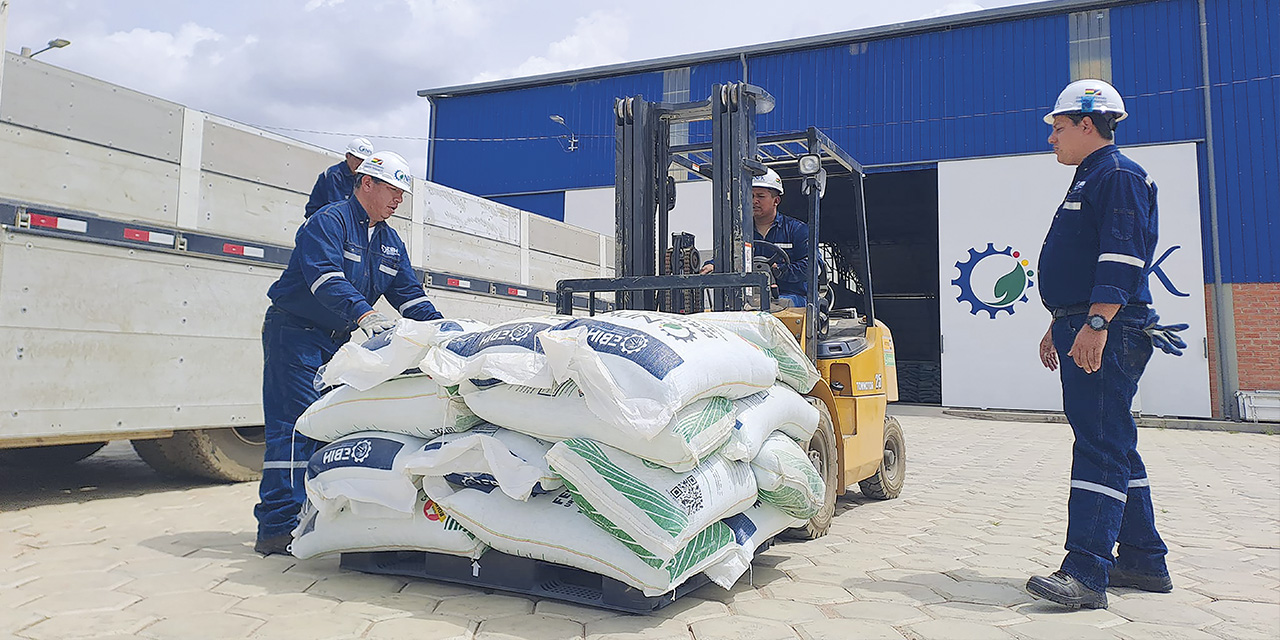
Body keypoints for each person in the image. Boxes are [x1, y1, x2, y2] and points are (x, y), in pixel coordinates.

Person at [1026, 79, 1174, 609]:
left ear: (1087, 125)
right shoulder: (1093, 176)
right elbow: (1085, 261)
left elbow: (1121, 256)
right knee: (1113, 440)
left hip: (1108, 331)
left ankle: (1087, 573)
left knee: (1099, 447)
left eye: (1058, 129)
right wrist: (1061, 320)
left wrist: (1096, 322)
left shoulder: (1117, 174)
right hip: (1086, 322)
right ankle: (1142, 559)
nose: (1052, 140)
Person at [254, 150, 443, 556]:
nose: (398, 200)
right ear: (367, 183)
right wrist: (366, 314)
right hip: (295, 335)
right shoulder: (328, 222)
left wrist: (443, 331)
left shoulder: (390, 242)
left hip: (335, 341)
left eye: (403, 194)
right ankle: (277, 527)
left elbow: (409, 296)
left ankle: (311, 518)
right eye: (392, 190)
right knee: (294, 429)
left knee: (326, 427)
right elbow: (325, 279)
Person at [699, 168, 810, 307]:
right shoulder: (740, 233)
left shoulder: (797, 230)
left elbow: (811, 266)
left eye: (760, 196)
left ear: (776, 200)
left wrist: (780, 270)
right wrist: (713, 264)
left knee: (778, 305)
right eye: (750, 196)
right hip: (751, 298)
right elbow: (728, 255)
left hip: (790, 296)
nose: (754, 201)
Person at [303, 136, 374, 218]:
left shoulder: (360, 177)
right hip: (321, 219)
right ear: (347, 156)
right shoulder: (334, 175)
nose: (360, 163)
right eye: (357, 159)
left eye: (364, 161)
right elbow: (336, 207)